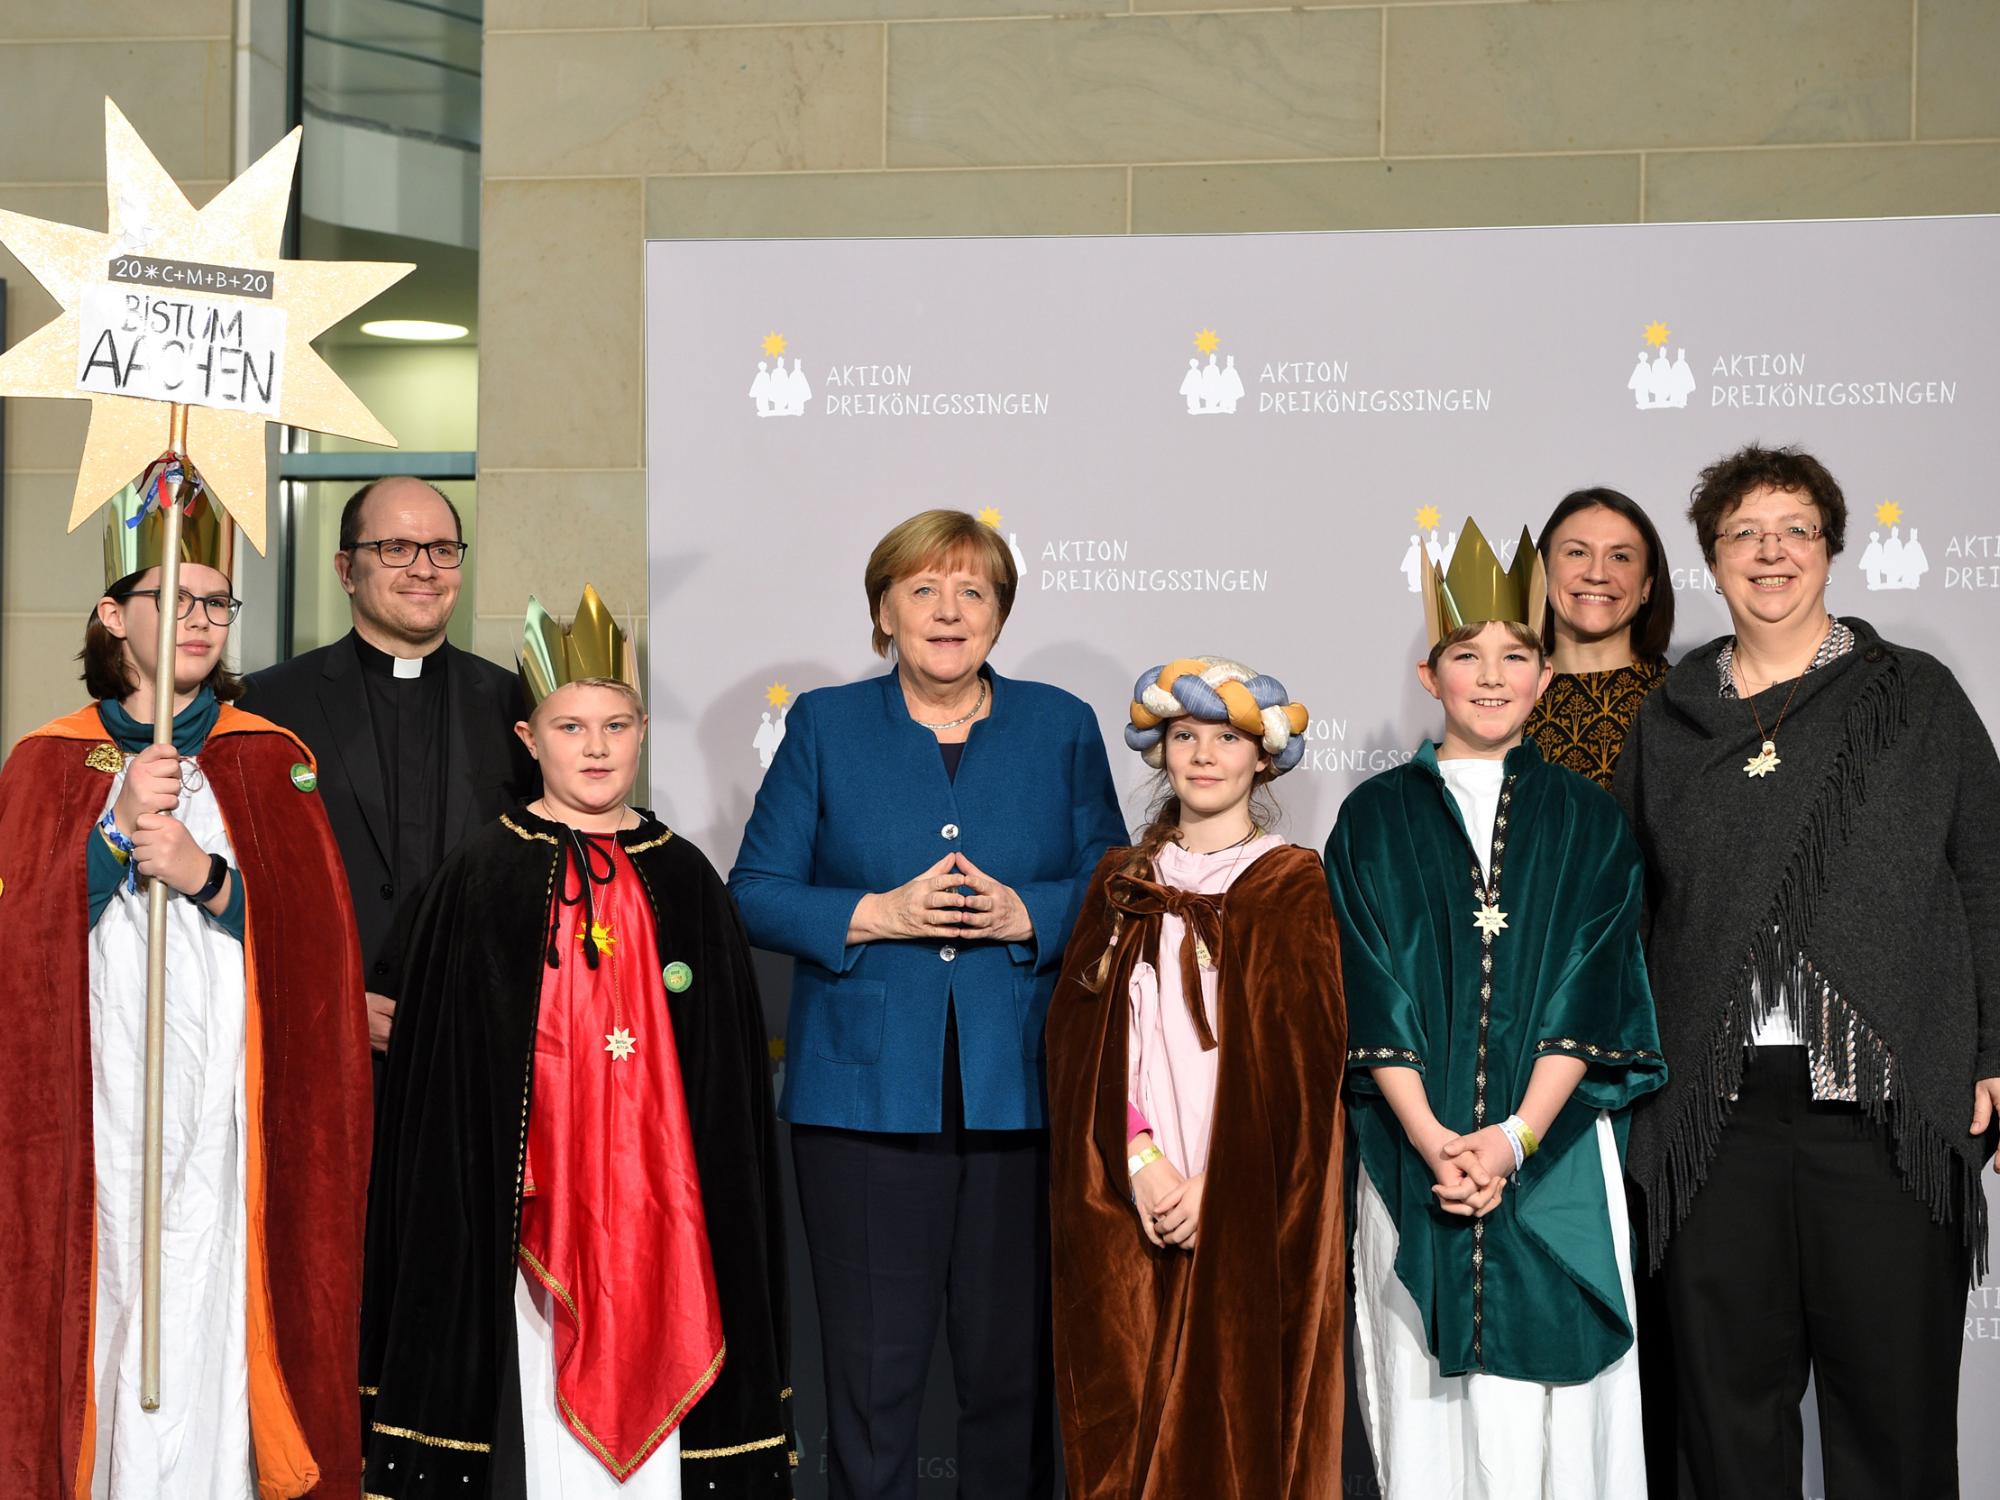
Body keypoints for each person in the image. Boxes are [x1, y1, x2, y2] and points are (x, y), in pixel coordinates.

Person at [1616, 444, 2000, 1500]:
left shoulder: (1913, 698)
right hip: (1712, 1112)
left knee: (1893, 1416)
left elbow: (1986, 871)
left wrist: (1993, 1051)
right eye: (1742, 532)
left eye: (1793, 528)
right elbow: (1630, 904)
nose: (1769, 550)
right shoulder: (1668, 718)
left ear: (1828, 549)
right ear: (1709, 558)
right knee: (1724, 1423)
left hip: (1882, 1099)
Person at [359, 586, 793, 1497]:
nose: (595, 749)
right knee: (537, 1411)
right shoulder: (481, 873)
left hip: (667, 1203)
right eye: (570, 727)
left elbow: (725, 1088)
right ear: (529, 739)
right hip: (531, 1206)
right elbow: (442, 1078)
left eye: (616, 725)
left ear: (641, 731)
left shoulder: (686, 875)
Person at [729, 509, 1125, 1500]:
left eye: (972, 592)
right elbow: (755, 891)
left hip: (1022, 1099)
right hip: (857, 1110)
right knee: (870, 1383)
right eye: (922, 590)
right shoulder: (823, 726)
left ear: (999, 615)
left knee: (1010, 1379)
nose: (947, 612)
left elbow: (1116, 885)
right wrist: (875, 911)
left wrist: (1027, 913)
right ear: (882, 612)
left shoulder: (1060, 725)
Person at [0, 484, 372, 1498]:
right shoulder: (44, 761)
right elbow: (17, 941)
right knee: (112, 1282)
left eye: (219, 603)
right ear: (114, 616)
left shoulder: (268, 758)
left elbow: (317, 952)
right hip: (98, 1096)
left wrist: (205, 876)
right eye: (178, 597)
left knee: (213, 1285)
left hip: (226, 1104)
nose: (202, 620)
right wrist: (116, 835)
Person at [1327, 518, 1665, 1500]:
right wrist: (1437, 1141)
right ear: (1428, 675)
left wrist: (1513, 1138)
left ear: (1543, 676)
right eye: (1463, 655)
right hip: (1413, 1151)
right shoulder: (1371, 818)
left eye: (1512, 655)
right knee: (1425, 1397)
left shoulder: (1588, 819)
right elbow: (1368, 984)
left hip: (1551, 1150)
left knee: (1557, 1413)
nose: (1488, 676)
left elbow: (1589, 980)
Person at [1045, 657, 1345, 1499]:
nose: (1203, 756)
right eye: (1185, 737)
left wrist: (1220, 1182)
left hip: (1238, 1190)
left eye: (1226, 738)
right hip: (1135, 1185)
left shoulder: (1293, 884)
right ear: (1160, 751)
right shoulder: (1122, 882)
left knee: (1229, 1415)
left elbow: (1304, 1069)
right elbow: (1086, 1046)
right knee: (1128, 1404)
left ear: (1264, 759)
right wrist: (1141, 1163)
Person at [244, 476, 537, 1075]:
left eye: (442, 550)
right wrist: (332, 997)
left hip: (478, 1051)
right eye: (396, 549)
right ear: (346, 569)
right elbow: (248, 881)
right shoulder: (266, 706)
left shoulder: (520, 708)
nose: (424, 568)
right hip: (314, 1046)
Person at [1523, 488, 1675, 790]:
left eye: (1619, 557)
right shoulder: (1507, 696)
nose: (1597, 574)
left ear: (1647, 585)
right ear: (1543, 572)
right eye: (1577, 552)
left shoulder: (1679, 702)